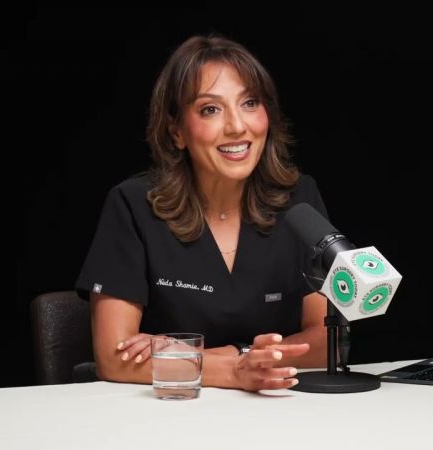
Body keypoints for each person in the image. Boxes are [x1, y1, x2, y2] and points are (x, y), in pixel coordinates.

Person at [75, 34, 330, 392]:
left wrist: (231, 355)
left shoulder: (300, 200)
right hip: (168, 409)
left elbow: (327, 342)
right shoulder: (132, 205)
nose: (237, 126)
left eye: (250, 103)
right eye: (211, 109)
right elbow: (113, 357)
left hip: (277, 409)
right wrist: (233, 372)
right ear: (176, 131)